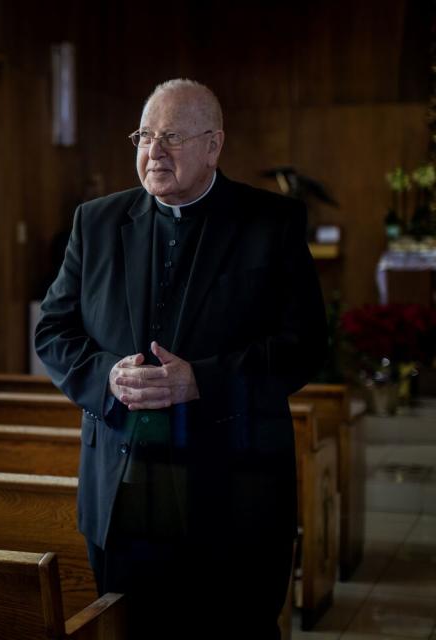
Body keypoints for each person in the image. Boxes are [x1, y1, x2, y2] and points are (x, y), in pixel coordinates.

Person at [34, 79, 327, 639]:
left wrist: (203, 381)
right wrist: (106, 376)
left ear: (214, 145)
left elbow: (305, 345)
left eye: (171, 137)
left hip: (235, 487)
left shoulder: (271, 223)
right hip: (122, 489)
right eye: (145, 135)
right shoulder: (95, 223)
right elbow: (53, 331)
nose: (154, 152)